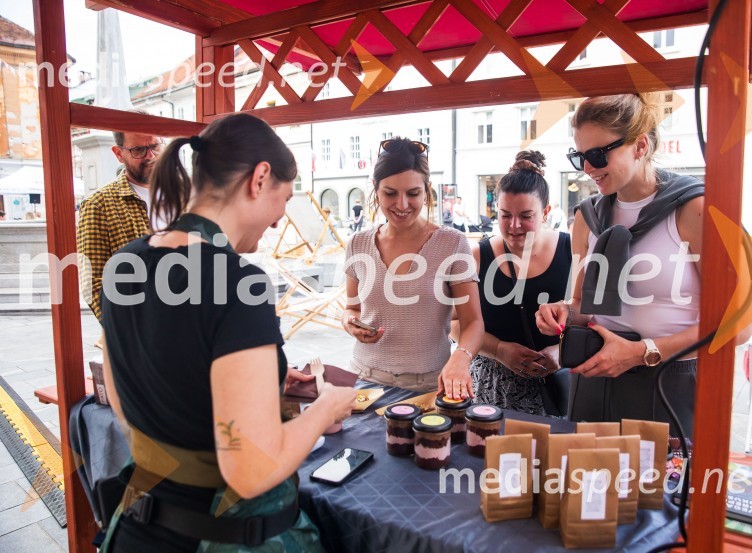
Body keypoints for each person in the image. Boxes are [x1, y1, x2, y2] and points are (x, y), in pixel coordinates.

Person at [100, 113, 356, 552]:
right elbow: (251, 471)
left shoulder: (124, 264)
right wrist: (325, 408)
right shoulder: (238, 285)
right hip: (217, 538)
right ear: (260, 179)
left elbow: (129, 402)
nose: (279, 220)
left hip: (138, 530)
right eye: (285, 198)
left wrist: (258, 384)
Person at [535, 93, 713, 437]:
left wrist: (641, 353)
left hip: (668, 381)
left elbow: (737, 324)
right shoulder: (587, 217)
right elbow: (583, 306)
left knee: (660, 475)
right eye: (579, 157)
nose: (587, 168)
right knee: (584, 471)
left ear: (640, 146)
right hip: (595, 378)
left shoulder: (694, 209)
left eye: (597, 155)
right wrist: (562, 312)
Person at [342, 137, 484, 399]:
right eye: (390, 193)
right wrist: (350, 323)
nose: (402, 204)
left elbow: (473, 322)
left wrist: (461, 357)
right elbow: (352, 309)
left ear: (426, 191)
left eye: (413, 193)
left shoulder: (452, 243)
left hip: (430, 384)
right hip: (364, 380)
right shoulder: (357, 243)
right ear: (375, 189)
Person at [451, 151, 572, 416]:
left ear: (545, 212)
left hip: (560, 388)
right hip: (491, 389)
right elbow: (453, 323)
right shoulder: (477, 256)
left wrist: (562, 352)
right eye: (505, 215)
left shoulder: (572, 251)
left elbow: (595, 320)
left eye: (526, 216)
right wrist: (498, 350)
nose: (514, 226)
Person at [77, 120, 164, 322]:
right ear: (118, 154)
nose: (150, 156)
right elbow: (93, 283)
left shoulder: (185, 196)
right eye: (138, 150)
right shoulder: (99, 205)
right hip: (139, 327)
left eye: (155, 146)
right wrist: (127, 332)